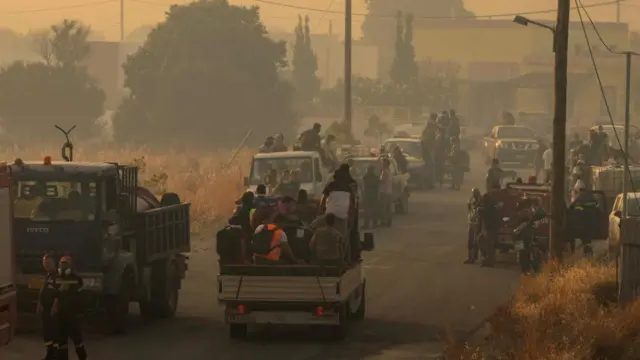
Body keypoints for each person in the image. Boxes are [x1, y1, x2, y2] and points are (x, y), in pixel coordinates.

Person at [54, 256, 87, 360]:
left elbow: (82, 295)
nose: (63, 267)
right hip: (61, 315)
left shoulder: (77, 278)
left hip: (73, 315)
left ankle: (82, 357)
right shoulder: (57, 278)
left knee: (77, 340)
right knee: (61, 341)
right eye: (61, 265)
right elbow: (53, 294)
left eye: (66, 265)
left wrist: (79, 312)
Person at [318, 164, 356, 238]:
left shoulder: (330, 185)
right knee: (345, 235)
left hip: (330, 214)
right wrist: (351, 216)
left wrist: (320, 211)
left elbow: (323, 200)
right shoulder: (349, 187)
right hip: (343, 215)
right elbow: (352, 203)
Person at [567, 184, 602, 256]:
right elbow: (598, 210)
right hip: (592, 224)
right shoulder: (592, 198)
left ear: (578, 190)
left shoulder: (579, 199)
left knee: (584, 239)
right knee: (587, 240)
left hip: (583, 224)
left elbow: (576, 211)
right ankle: (588, 252)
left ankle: (585, 252)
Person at [37, 254, 58, 360]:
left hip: (52, 310)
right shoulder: (48, 275)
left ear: (54, 263)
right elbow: (43, 291)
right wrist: (40, 304)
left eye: (48, 263)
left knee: (53, 332)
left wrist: (55, 305)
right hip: (45, 309)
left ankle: (53, 355)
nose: (46, 265)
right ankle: (49, 354)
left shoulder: (57, 275)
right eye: (44, 263)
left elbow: (59, 292)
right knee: (46, 332)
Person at [479, 183, 501, 267]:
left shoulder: (490, 202)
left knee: (488, 243)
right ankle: (487, 258)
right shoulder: (492, 201)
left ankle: (490, 260)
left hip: (491, 226)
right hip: (490, 225)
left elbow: (486, 212)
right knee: (481, 240)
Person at [464, 188, 483, 264]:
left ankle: (473, 257)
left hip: (476, 222)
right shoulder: (473, 200)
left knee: (475, 241)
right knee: (472, 241)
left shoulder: (478, 201)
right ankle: (471, 257)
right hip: (473, 222)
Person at [362, 164, 380, 229]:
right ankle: (373, 224)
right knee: (373, 210)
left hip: (368, 196)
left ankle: (367, 224)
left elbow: (363, 187)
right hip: (373, 196)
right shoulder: (376, 178)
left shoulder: (365, 177)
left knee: (367, 211)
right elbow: (378, 188)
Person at [379, 157, 393, 227]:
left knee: (383, 208)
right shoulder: (389, 171)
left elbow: (382, 181)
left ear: (386, 164)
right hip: (389, 191)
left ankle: (384, 222)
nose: (382, 164)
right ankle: (389, 222)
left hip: (384, 192)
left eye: (383, 163)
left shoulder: (384, 171)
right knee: (388, 208)